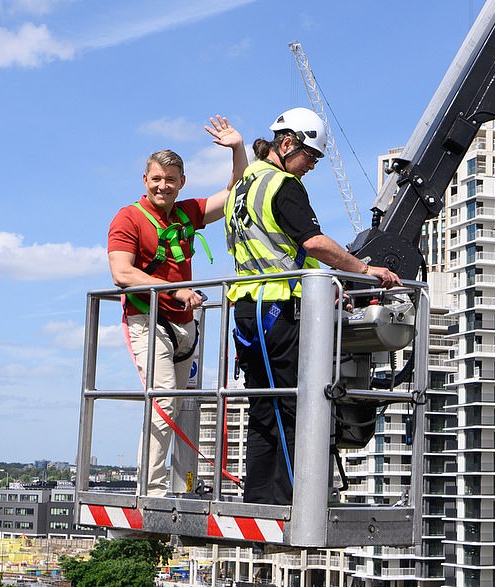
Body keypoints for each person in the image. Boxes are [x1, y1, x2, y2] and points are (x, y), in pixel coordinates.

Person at [224, 107, 401, 506]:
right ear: (287, 144)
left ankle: (259, 498)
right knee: (293, 405)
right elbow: (313, 242)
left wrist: (320, 282)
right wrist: (363, 269)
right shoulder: (283, 185)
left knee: (263, 408)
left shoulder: (243, 185)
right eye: (311, 156)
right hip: (277, 311)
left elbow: (272, 248)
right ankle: (290, 501)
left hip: (248, 312)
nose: (312, 166)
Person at [108, 116, 247, 496]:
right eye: (156, 179)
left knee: (179, 404)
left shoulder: (186, 213)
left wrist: (237, 149)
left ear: (181, 183)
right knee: (164, 396)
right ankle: (151, 489)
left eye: (170, 180)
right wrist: (176, 291)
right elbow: (122, 273)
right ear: (145, 180)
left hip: (185, 324)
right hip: (146, 317)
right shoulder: (129, 218)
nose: (163, 186)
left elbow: (236, 192)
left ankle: (179, 484)